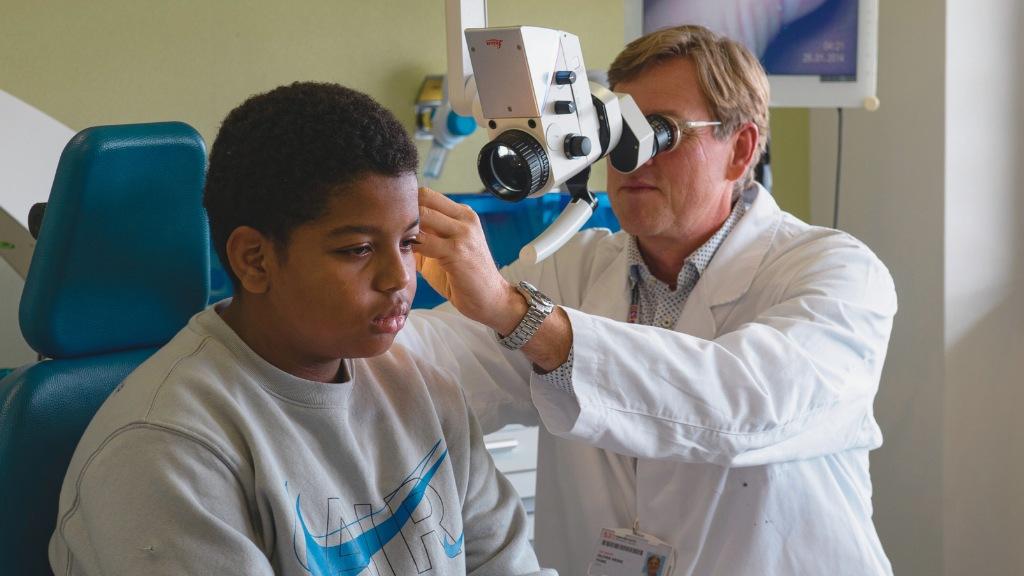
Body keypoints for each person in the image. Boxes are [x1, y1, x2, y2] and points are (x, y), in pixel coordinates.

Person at [400, 25, 897, 575]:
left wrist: (518, 314)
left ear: (740, 150)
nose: (632, 158)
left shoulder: (838, 271)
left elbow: (747, 403)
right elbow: (440, 362)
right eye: (618, 133)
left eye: (661, 132)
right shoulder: (572, 265)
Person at [49, 82, 553, 576]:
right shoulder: (167, 452)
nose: (399, 278)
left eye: (408, 241)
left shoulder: (422, 390)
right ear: (255, 260)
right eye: (357, 249)